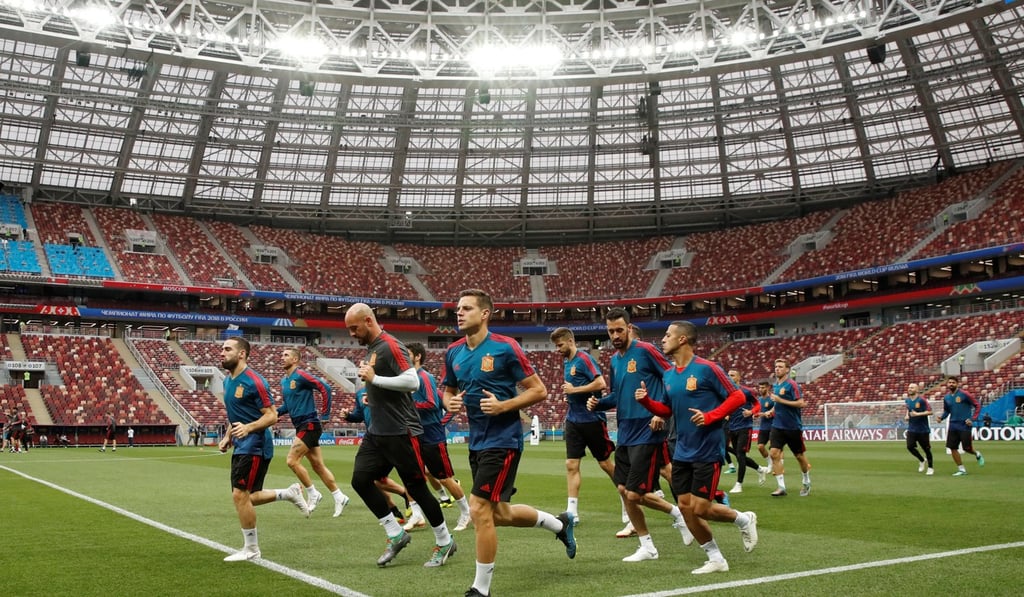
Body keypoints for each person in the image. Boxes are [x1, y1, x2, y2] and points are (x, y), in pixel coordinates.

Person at [442, 289, 575, 597]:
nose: (459, 313)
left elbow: (539, 390)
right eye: (458, 308)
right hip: (477, 441)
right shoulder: (453, 352)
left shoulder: (505, 347)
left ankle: (480, 589)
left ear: (484, 314)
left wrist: (503, 406)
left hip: (504, 440)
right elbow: (447, 390)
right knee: (499, 514)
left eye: (466, 308)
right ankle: (559, 524)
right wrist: (449, 402)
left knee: (478, 509)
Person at [635, 321, 758, 574]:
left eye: (668, 335)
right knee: (685, 508)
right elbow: (667, 410)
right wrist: (647, 402)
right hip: (682, 450)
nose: (663, 339)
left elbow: (738, 396)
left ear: (682, 339)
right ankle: (716, 558)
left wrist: (711, 416)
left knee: (701, 508)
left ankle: (744, 519)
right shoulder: (669, 375)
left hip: (707, 449)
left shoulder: (708, 368)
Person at [343, 302, 456, 568]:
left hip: (401, 431)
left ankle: (445, 541)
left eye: (354, 328)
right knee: (361, 480)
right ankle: (396, 534)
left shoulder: (391, 345)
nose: (352, 334)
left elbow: (412, 381)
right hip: (377, 431)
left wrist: (375, 380)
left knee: (417, 489)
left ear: (369, 321)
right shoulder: (373, 348)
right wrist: (374, 396)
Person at [587, 307, 692, 562]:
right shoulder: (614, 360)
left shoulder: (645, 351)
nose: (615, 335)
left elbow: (671, 377)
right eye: (611, 331)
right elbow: (616, 394)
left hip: (648, 428)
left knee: (635, 493)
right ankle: (648, 546)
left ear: (629, 328)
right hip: (625, 432)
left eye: (619, 330)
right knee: (624, 491)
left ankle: (679, 514)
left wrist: (660, 412)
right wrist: (598, 404)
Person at [217, 336, 310, 562]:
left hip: (256, 445)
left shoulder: (254, 381)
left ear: (242, 354)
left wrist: (248, 428)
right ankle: (288, 493)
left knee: (240, 495)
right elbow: (236, 415)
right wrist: (228, 436)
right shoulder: (228, 381)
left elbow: (272, 416)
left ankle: (251, 549)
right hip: (242, 444)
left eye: (227, 349)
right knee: (248, 496)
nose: (222, 352)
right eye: (222, 349)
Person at [402, 342, 472, 533]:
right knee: (411, 475)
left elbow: (432, 403)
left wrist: (408, 405)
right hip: (414, 434)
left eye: (407, 353)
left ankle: (466, 512)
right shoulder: (409, 378)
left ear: (417, 356)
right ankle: (417, 514)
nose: (404, 356)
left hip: (432, 435)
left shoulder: (424, 377)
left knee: (445, 478)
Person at [550, 327, 616, 526]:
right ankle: (572, 512)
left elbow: (601, 383)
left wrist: (575, 390)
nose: (558, 349)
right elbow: (574, 388)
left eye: (560, 345)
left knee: (605, 464)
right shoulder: (567, 362)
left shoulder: (584, 359)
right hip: (573, 419)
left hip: (592, 419)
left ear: (570, 341)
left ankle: (626, 494)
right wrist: (570, 396)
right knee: (571, 464)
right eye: (556, 346)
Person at [277, 347, 352, 517]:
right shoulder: (284, 381)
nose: (282, 357)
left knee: (292, 461)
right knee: (318, 466)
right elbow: (287, 405)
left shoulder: (301, 375)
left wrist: (325, 414)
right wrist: (275, 413)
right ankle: (339, 496)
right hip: (300, 425)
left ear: (295, 359)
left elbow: (325, 387)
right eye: (282, 354)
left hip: (309, 424)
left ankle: (313, 493)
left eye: (286, 355)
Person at [767, 359, 812, 497]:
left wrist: (780, 400)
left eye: (780, 367)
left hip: (792, 427)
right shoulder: (776, 385)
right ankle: (781, 487)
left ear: (787, 370)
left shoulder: (792, 385)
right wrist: (772, 410)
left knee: (799, 456)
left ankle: (806, 481)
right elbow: (778, 403)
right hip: (777, 425)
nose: (777, 369)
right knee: (773, 453)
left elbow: (801, 403)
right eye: (776, 366)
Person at [725, 371, 771, 493]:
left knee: (740, 455)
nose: (730, 377)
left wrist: (751, 412)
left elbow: (757, 405)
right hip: (732, 427)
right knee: (740, 456)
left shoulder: (746, 391)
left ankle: (739, 484)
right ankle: (760, 469)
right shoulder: (725, 391)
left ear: (739, 377)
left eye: (733, 375)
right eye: (728, 375)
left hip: (745, 427)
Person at [937, 376, 984, 476]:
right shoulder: (946, 397)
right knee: (952, 448)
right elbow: (947, 411)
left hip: (964, 425)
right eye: (949, 382)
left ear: (957, 384)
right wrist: (941, 418)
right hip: (953, 425)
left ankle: (977, 454)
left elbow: (977, 405)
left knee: (967, 448)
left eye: (953, 382)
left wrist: (972, 419)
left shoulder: (964, 394)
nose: (951, 384)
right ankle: (961, 469)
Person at [903, 383, 934, 475]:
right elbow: (908, 409)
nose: (909, 389)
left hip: (923, 430)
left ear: (917, 390)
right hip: (912, 428)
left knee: (926, 449)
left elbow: (930, 412)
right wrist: (907, 415)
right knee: (910, 447)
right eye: (909, 387)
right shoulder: (907, 400)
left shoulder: (922, 400)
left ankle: (930, 468)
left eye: (912, 388)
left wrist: (918, 414)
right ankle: (921, 460)